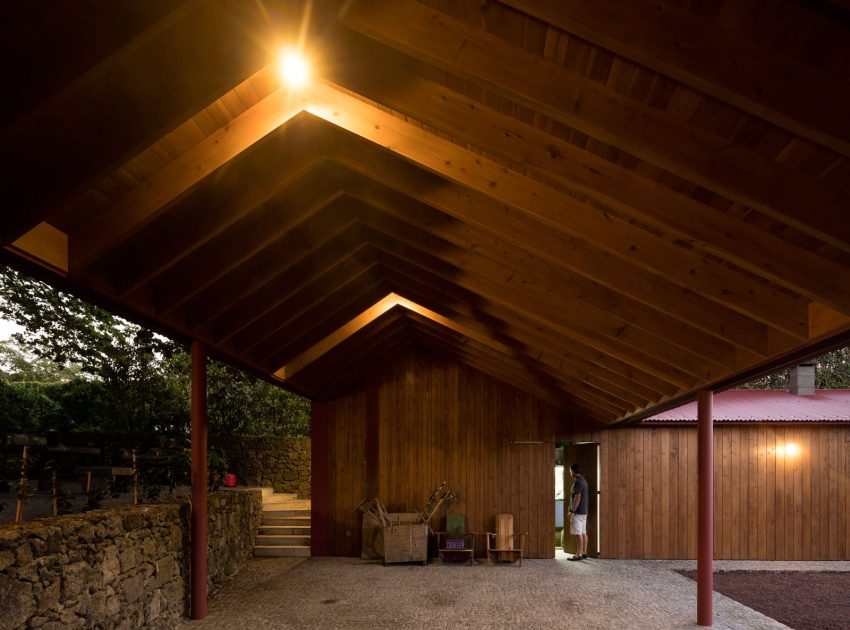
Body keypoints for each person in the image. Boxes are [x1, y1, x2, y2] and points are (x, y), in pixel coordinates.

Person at [567, 463, 589, 561]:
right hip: (584, 511)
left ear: (573, 471)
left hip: (578, 512)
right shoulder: (583, 481)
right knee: (583, 532)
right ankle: (584, 552)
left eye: (570, 471)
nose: (570, 473)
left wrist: (572, 511)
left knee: (578, 533)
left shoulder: (578, 482)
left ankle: (578, 554)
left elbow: (577, 498)